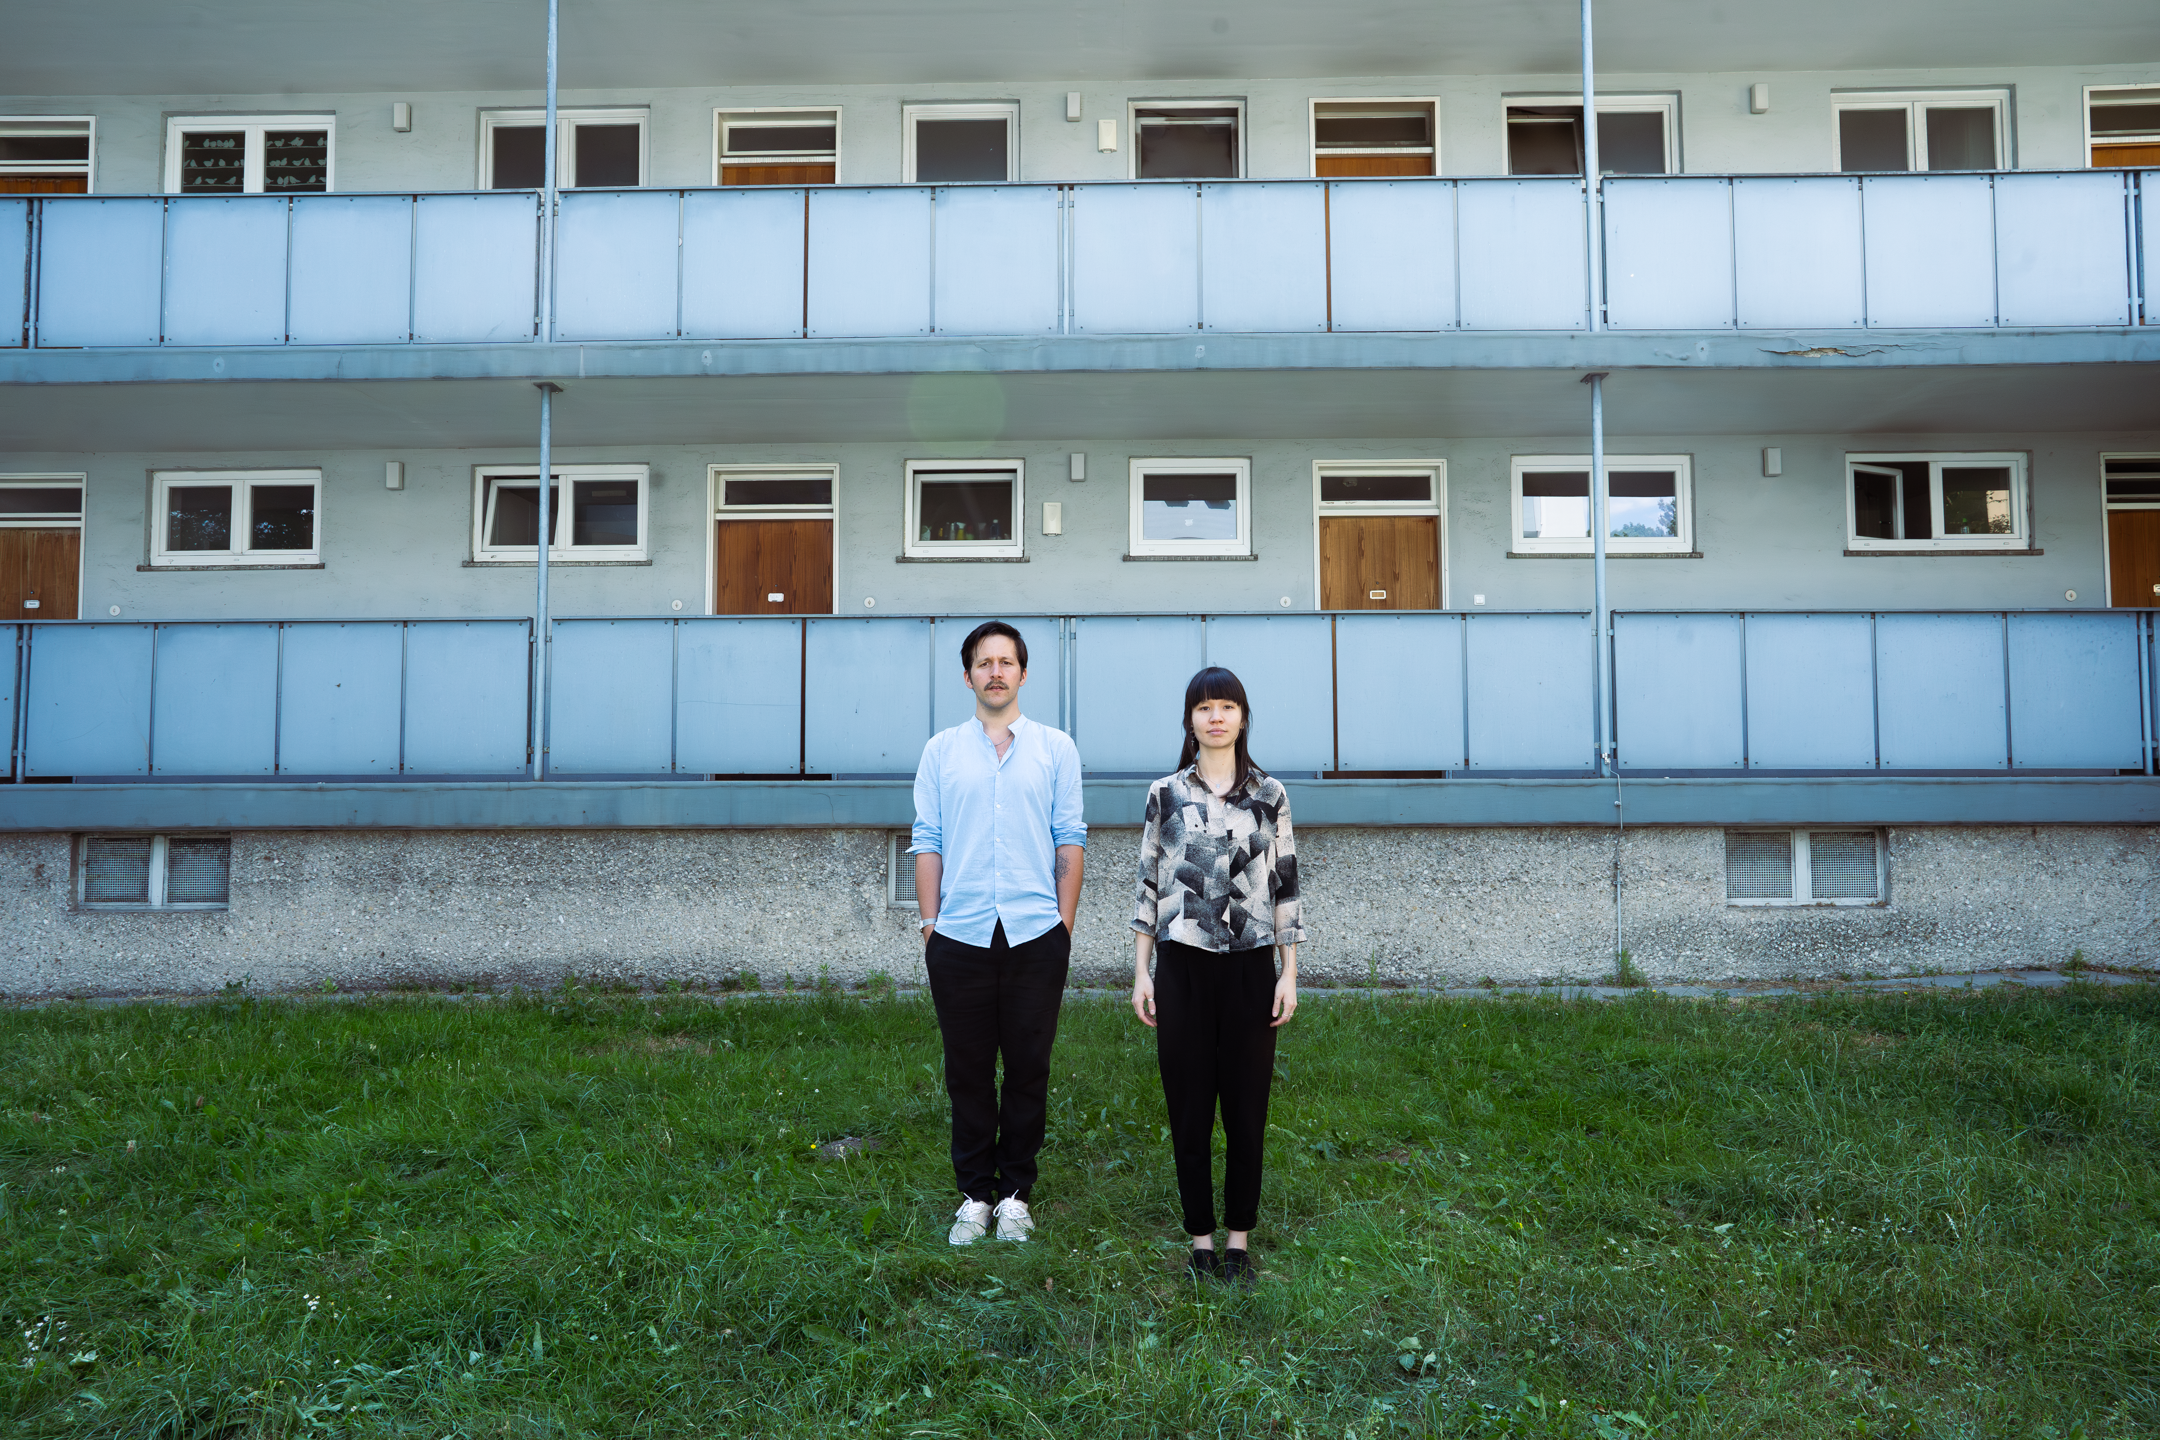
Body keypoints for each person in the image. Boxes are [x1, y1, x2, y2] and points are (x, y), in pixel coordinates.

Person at [911, 621, 1086, 1245]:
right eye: (983, 663)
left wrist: (1063, 927)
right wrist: (930, 925)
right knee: (967, 1070)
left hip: (1036, 934)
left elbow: (1070, 837)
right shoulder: (941, 752)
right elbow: (927, 840)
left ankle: (1014, 1195)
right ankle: (974, 1196)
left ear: (1023, 673)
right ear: (968, 677)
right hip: (958, 936)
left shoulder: (1055, 749)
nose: (995, 672)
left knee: (1028, 1067)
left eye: (1005, 662)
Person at [1131, 665, 1302, 1284]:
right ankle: (1200, 1242)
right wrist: (1142, 971)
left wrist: (1288, 972)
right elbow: (1149, 882)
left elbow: (1286, 885)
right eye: (1204, 707)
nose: (1216, 717)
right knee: (1190, 1107)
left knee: (1247, 1109)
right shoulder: (1165, 794)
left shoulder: (1270, 795)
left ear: (1242, 717)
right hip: (1182, 966)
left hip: (1252, 967)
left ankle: (1237, 1243)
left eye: (1226, 706)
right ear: (1190, 720)